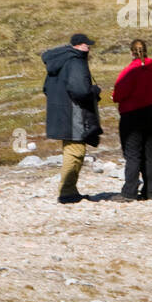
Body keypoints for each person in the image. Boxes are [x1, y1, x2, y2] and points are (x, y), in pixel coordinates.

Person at [111, 39, 152, 200]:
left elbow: (118, 94)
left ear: (131, 53)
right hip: (150, 112)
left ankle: (129, 192)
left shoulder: (130, 71)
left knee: (132, 154)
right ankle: (150, 191)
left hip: (131, 115)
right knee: (148, 153)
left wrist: (115, 97)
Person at [42, 33, 102, 203]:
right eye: (86, 45)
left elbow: (46, 88)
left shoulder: (58, 61)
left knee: (70, 149)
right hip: (73, 113)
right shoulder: (76, 61)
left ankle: (70, 190)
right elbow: (80, 91)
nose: (88, 48)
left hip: (60, 113)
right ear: (78, 45)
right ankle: (67, 192)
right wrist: (94, 91)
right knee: (76, 151)